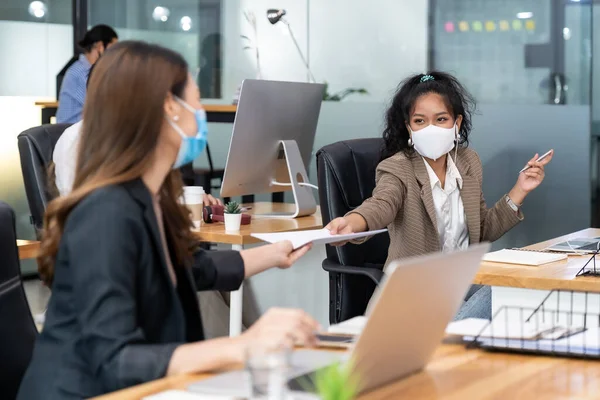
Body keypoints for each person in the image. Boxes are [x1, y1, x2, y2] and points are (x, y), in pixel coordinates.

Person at [17, 41, 318, 399]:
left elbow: (188, 268)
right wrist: (243, 346)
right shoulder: (106, 214)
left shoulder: (152, 196)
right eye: (197, 101)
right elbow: (113, 359)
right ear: (167, 108)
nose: (202, 113)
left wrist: (275, 252)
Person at [326, 72, 553, 319]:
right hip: (412, 296)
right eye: (420, 121)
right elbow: (381, 204)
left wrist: (520, 189)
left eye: (441, 119)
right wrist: (352, 223)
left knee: (520, 285)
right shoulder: (397, 167)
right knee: (497, 298)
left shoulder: (468, 162)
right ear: (408, 128)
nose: (430, 128)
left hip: (458, 286)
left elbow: (482, 229)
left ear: (456, 124)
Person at [56, 24, 118, 123]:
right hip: (71, 132)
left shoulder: (90, 70)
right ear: (100, 46)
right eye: (112, 48)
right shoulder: (80, 71)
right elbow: (102, 105)